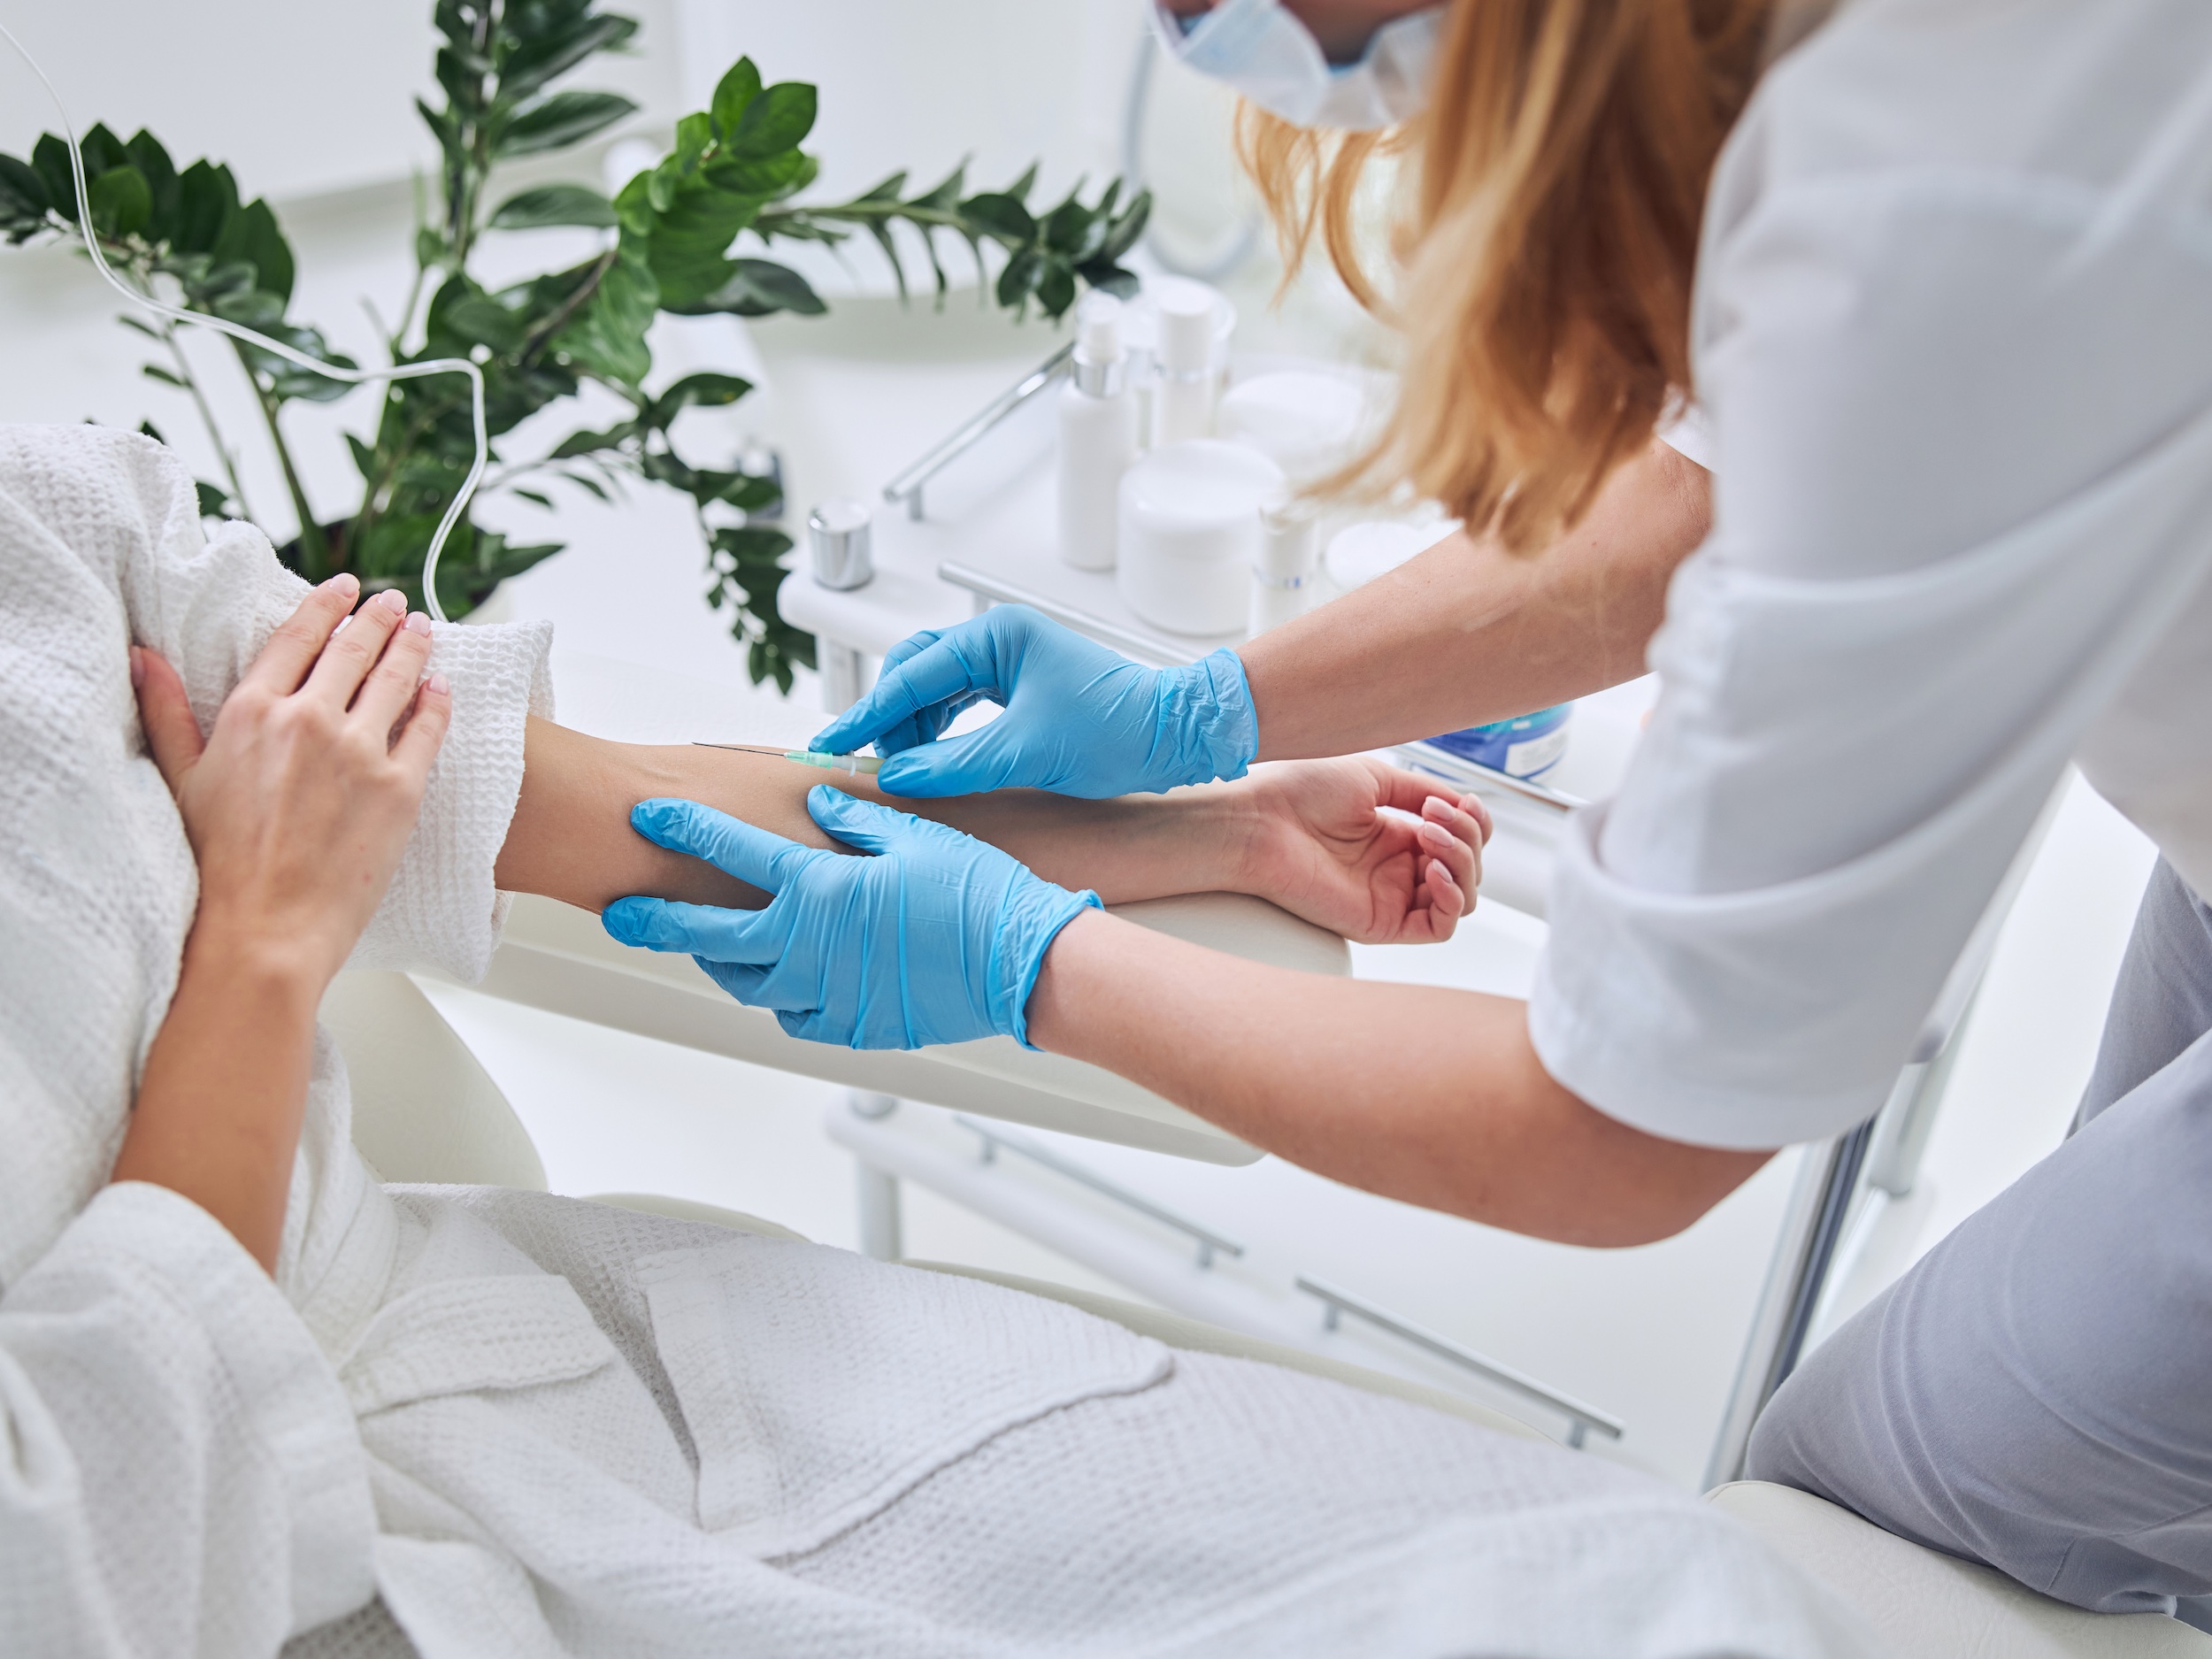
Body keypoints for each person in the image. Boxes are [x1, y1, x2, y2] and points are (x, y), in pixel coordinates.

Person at [601, 0, 2212, 1621]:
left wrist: (1036, 964)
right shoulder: (1875, 118)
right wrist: (1206, 718)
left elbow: (1629, 1130)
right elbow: (1708, 495)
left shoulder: (1942, 232)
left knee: (1877, 1511)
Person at [0, 424, 1872, 1655]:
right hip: (254, 1582)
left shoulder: (54, 510)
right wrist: (258, 944)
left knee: (1643, 1601)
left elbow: (593, 802)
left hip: (548, 1369)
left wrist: (1200, 800)